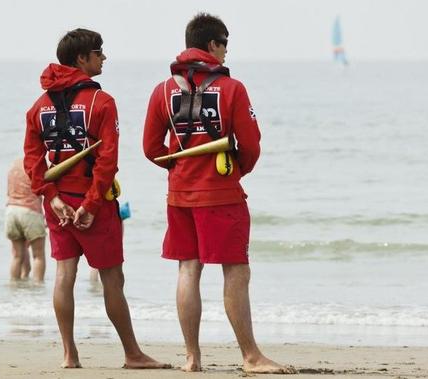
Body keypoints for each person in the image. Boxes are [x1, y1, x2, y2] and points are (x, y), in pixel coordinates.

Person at [141, 13, 296, 374]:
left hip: (179, 195)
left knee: (187, 269)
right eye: (225, 44)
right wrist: (234, 170)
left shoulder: (162, 90)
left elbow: (150, 148)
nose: (227, 52)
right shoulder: (232, 88)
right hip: (222, 194)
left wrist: (179, 170)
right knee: (236, 271)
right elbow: (252, 144)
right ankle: (251, 356)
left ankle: (192, 358)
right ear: (213, 45)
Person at [23, 28, 168, 370]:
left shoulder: (38, 107)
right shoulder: (102, 102)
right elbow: (107, 162)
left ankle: (70, 355)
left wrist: (52, 198)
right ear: (81, 59)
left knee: (64, 273)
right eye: (99, 52)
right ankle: (133, 354)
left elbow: (33, 161)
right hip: (94, 204)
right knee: (112, 278)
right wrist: (89, 205)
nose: (104, 57)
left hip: (57, 205)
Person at [5, 158, 47, 281]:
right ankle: (38, 289)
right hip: (30, 210)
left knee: (17, 256)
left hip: (11, 210)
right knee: (38, 256)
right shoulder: (36, 164)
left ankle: (14, 288)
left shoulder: (13, 165)